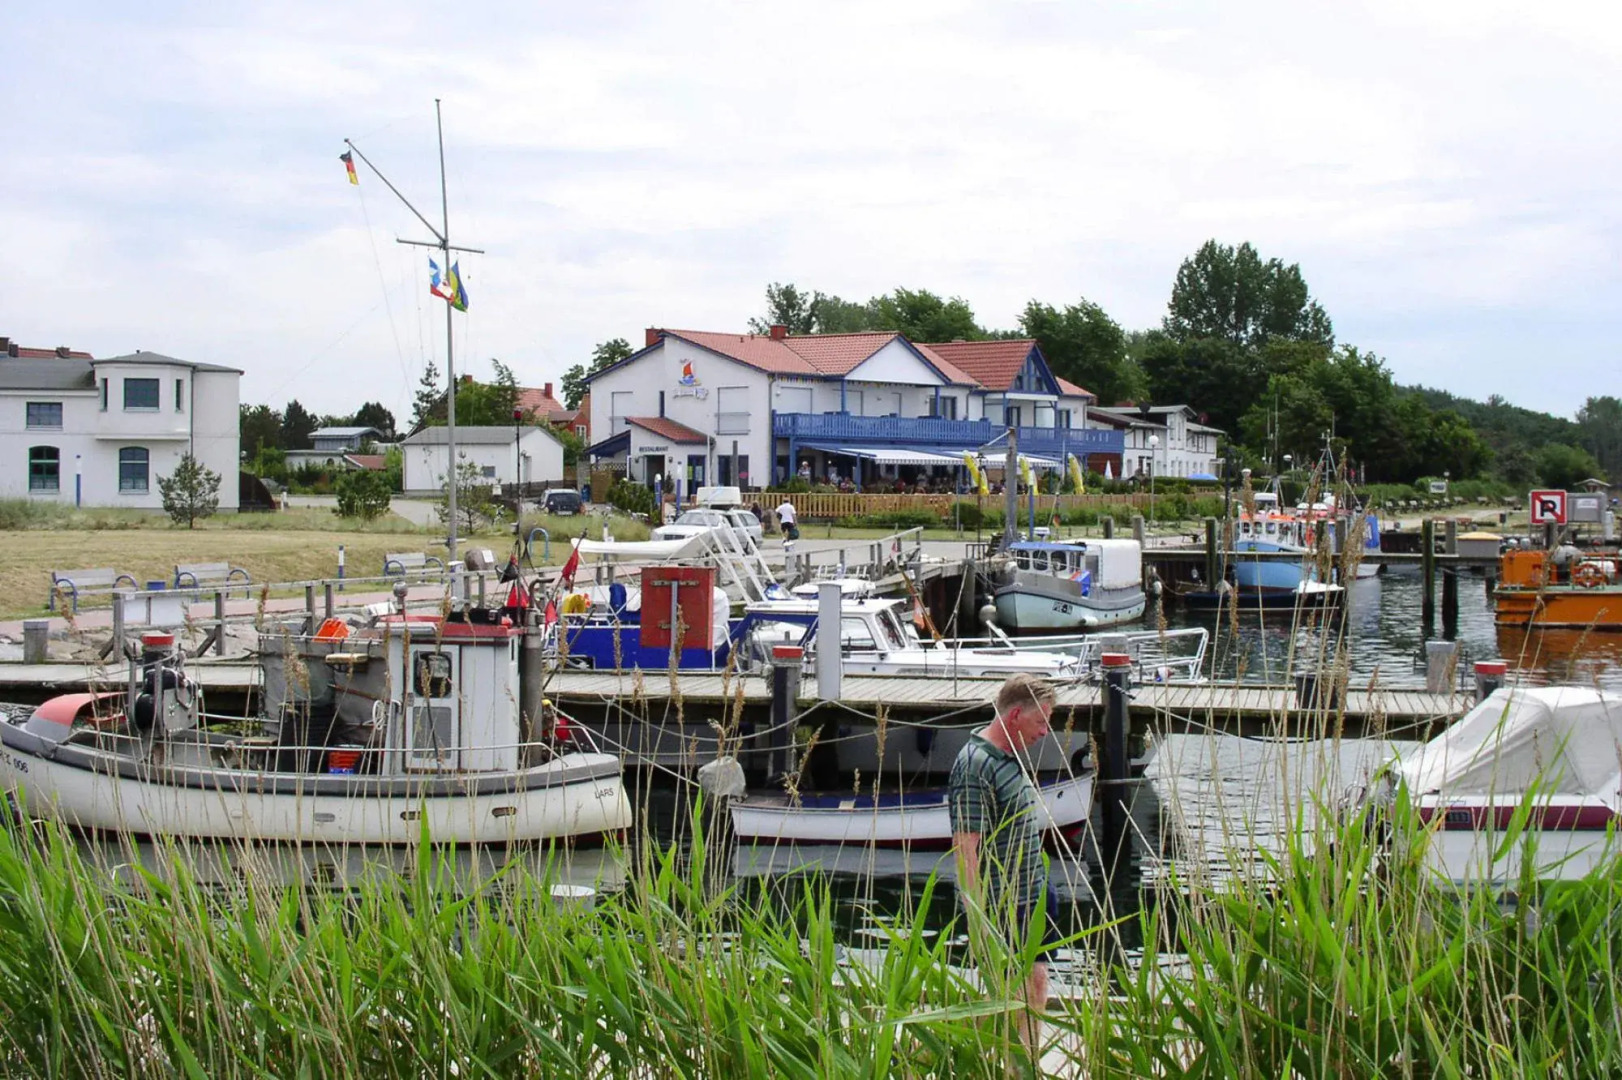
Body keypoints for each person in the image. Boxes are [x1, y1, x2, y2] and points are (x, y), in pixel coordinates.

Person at [950, 673, 1059, 1060]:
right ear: (1015, 714)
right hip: (1005, 900)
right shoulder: (975, 765)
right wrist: (977, 917)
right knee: (1016, 992)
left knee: (1035, 984)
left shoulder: (1008, 756)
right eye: (1040, 722)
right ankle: (984, 1057)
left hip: (1033, 892)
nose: (1044, 732)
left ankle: (1024, 1064)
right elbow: (966, 849)